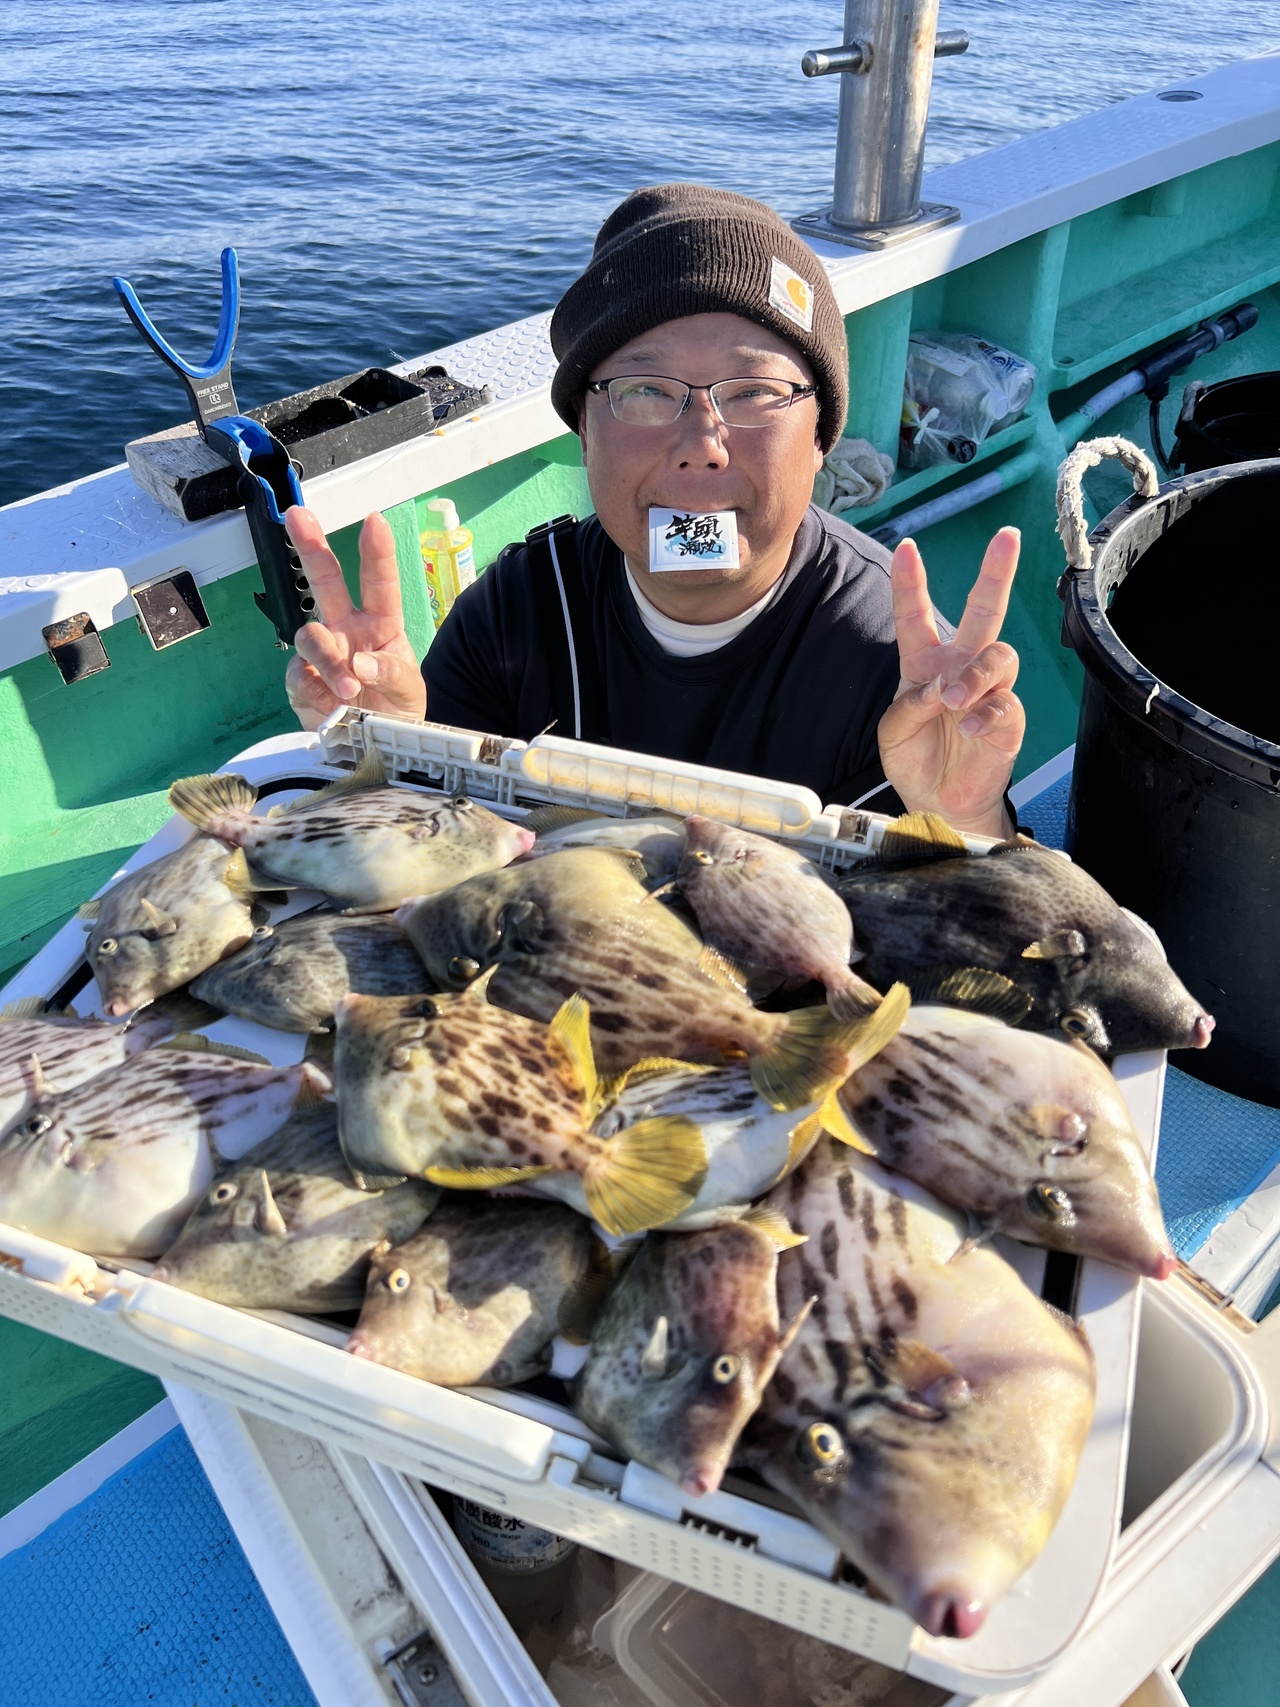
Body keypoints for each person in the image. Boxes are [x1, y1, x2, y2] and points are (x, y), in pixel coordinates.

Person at [284, 184, 1024, 838]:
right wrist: (387, 753)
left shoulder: (897, 666)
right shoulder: (520, 609)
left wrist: (967, 822)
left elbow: (955, 927)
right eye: (644, 390)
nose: (701, 444)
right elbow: (431, 864)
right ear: (584, 432)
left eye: (754, 392)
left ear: (820, 438)